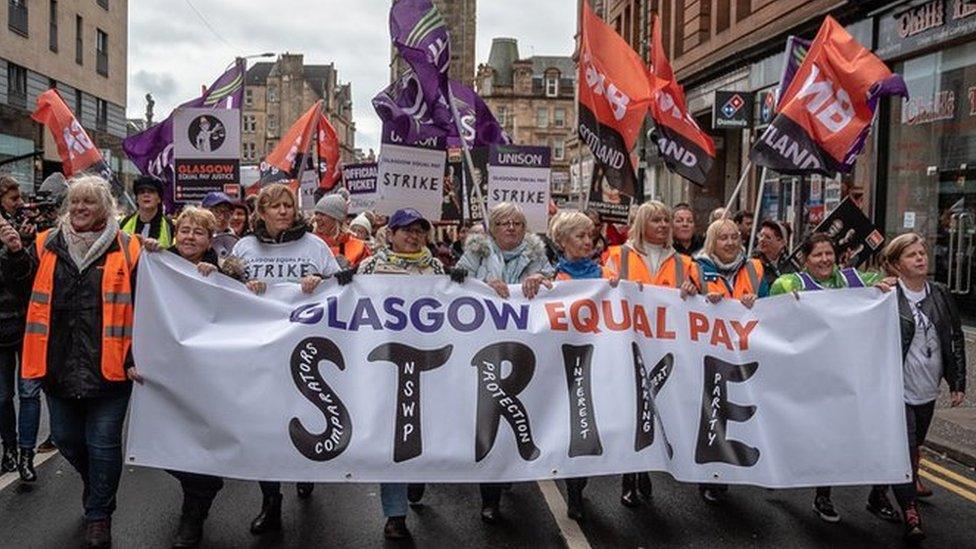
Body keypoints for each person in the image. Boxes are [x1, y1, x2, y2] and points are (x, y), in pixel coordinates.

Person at [0, 176, 143, 548]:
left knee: (103, 444)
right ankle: (94, 485)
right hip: (57, 366)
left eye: (89, 203)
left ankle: (100, 515)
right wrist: (15, 253)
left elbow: (150, 307)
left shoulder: (130, 248)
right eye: (75, 202)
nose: (79, 209)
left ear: (105, 209)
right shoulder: (45, 242)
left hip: (109, 368)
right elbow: (21, 288)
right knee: (65, 439)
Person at [229, 183, 341, 536]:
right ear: (260, 212)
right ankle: (270, 500)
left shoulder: (315, 246)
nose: (282, 212)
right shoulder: (244, 247)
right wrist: (241, 285)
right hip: (260, 352)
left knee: (304, 418)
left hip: (305, 350)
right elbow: (222, 290)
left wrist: (320, 279)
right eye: (274, 206)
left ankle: (304, 470)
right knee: (265, 427)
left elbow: (344, 284)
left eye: (287, 206)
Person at [770, 233, 892, 524]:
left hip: (849, 373)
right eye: (817, 255)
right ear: (804, 259)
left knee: (853, 433)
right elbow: (769, 320)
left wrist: (883, 287)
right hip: (808, 374)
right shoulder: (788, 284)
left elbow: (883, 283)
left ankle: (867, 493)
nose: (824, 260)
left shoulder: (854, 280)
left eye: (829, 254)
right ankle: (795, 479)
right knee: (811, 435)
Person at [127, 207, 228, 548]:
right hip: (169, 371)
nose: (189, 237)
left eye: (198, 232)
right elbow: (136, 309)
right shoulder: (156, 264)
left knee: (204, 444)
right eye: (184, 230)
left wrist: (221, 278)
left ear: (210, 240)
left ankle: (193, 514)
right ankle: (200, 491)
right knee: (172, 443)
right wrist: (132, 355)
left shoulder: (224, 271)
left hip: (211, 378)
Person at [355, 208, 452, 540]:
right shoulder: (369, 267)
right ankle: (394, 514)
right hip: (386, 364)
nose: (413, 236)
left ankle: (418, 472)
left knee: (424, 427)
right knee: (391, 437)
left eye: (419, 231)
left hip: (429, 363)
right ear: (391, 234)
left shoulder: (436, 268)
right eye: (406, 230)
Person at [455, 202, 554, 523]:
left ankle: (509, 471)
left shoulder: (536, 254)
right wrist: (480, 287)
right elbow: (455, 282)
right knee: (490, 417)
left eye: (517, 223)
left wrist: (540, 278)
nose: (511, 228)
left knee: (520, 416)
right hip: (484, 347)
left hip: (525, 349)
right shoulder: (477, 253)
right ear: (492, 228)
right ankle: (490, 496)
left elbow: (555, 281)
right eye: (504, 223)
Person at [605, 200, 699, 507]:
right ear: (641, 224)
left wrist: (694, 288)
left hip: (667, 349)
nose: (663, 226)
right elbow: (603, 290)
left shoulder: (686, 263)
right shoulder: (617, 257)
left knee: (660, 413)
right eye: (656, 220)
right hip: (628, 346)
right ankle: (630, 475)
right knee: (632, 413)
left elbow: (704, 297)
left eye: (665, 221)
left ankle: (646, 468)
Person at [873, 232, 967, 541]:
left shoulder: (940, 293)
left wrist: (958, 382)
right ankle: (911, 513)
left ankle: (877, 493)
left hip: (927, 388)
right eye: (912, 255)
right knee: (905, 450)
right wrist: (873, 290)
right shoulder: (888, 294)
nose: (921, 258)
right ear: (897, 264)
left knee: (913, 449)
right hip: (896, 390)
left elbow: (954, 340)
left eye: (922, 253)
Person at [693, 218, 768, 503]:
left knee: (738, 415)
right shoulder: (697, 267)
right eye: (723, 238)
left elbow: (769, 304)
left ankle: (731, 469)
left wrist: (756, 301)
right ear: (712, 242)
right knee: (712, 416)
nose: (730, 243)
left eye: (735, 237)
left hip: (745, 353)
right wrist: (698, 298)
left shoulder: (754, 268)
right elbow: (684, 298)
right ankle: (711, 476)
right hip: (708, 352)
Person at [549, 210, 611, 522]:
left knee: (593, 426)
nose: (588, 241)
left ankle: (580, 480)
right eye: (579, 236)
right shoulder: (552, 279)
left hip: (600, 362)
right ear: (561, 242)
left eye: (590, 235)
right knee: (575, 427)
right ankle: (574, 489)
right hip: (567, 365)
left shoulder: (607, 275)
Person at [0, 177, 42, 482]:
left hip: (27, 324)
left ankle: (27, 454)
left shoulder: (27, 229)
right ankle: (9, 450)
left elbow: (31, 279)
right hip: (1, 328)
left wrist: (23, 247)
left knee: (28, 393)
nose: (20, 203)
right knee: (2, 396)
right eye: (14, 198)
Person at [313, 193, 371, 270]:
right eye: (316, 214)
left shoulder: (359, 247)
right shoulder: (309, 243)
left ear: (336, 219)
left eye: (323, 214)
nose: (317, 218)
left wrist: (350, 270)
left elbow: (366, 276)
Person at [120, 176, 174, 247]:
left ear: (159, 199)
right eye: (142, 192)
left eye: (151, 191)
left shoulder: (169, 225)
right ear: (137, 199)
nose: (146, 195)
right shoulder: (124, 222)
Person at [755, 219, 794, 285]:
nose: (761, 240)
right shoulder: (753, 263)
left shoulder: (791, 265)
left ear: (781, 242)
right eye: (761, 235)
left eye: (768, 237)